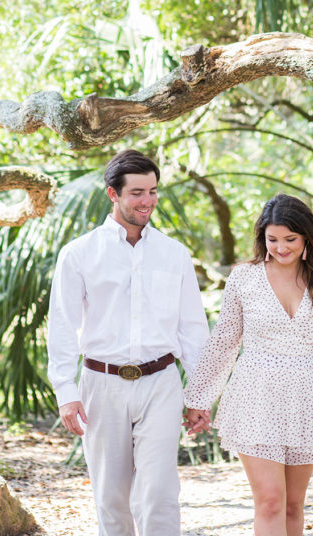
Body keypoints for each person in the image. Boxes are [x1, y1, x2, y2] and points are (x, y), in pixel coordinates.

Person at [47, 148, 210, 536]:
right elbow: (63, 327)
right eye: (137, 192)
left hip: (161, 382)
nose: (148, 201)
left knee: (158, 492)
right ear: (112, 194)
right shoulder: (79, 254)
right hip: (101, 386)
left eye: (153, 191)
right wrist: (65, 391)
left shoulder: (175, 254)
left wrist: (200, 394)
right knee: (111, 496)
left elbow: (192, 328)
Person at [184, 193, 313, 536]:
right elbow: (224, 342)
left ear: (307, 236)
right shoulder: (243, 278)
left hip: (307, 397)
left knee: (294, 505)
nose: (280, 247)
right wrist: (199, 399)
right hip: (255, 397)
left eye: (290, 239)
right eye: (272, 239)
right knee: (271, 502)